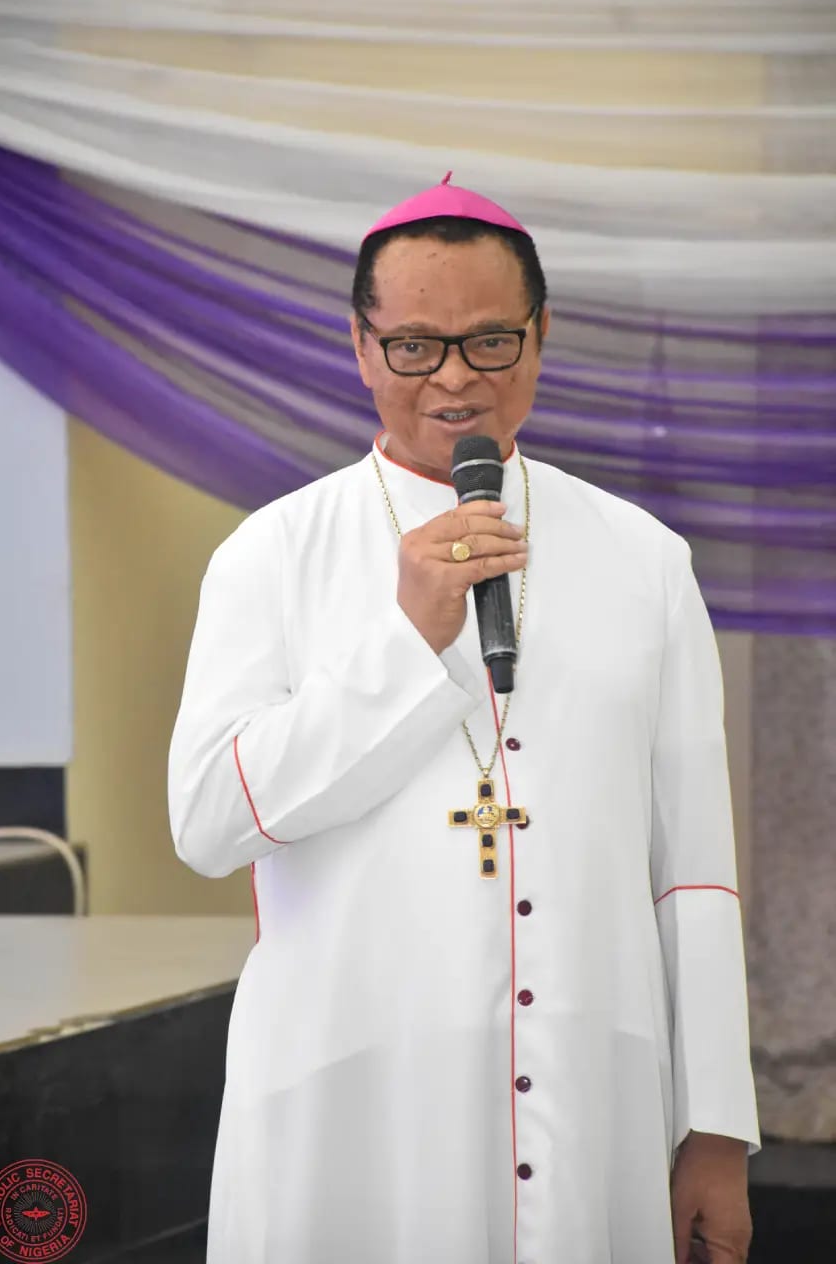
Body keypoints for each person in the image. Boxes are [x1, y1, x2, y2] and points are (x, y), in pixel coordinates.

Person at [168, 174, 760, 1264]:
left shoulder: (644, 558)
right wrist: (408, 641)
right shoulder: (271, 555)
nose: (453, 378)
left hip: (593, 1097)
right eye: (413, 346)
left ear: (540, 337)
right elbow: (208, 820)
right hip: (351, 1101)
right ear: (360, 346)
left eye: (490, 341)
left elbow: (692, 873)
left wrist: (716, 1132)